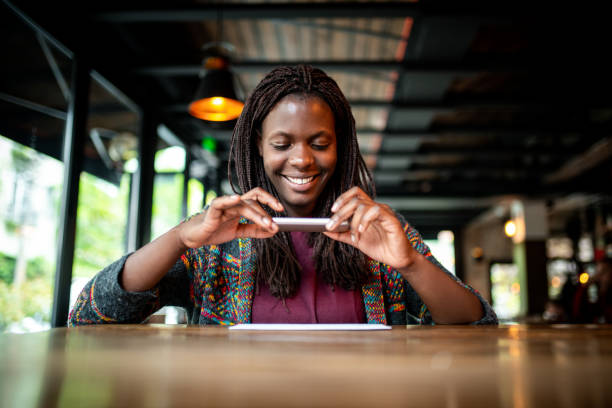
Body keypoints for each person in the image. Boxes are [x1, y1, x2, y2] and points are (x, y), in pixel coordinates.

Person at [69, 65, 497, 326]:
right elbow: (92, 313)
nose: (302, 160)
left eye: (319, 142)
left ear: (340, 145)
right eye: (282, 144)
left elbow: (478, 323)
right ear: (258, 144)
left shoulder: (377, 229)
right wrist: (181, 238)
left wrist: (410, 263)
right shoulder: (219, 233)